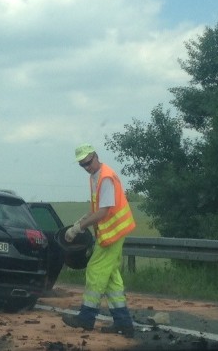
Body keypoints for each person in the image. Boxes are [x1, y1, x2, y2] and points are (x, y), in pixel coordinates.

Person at [62, 144, 137, 338]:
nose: (86, 167)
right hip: (110, 233)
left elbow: (104, 211)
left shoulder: (105, 178)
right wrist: (82, 221)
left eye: (88, 162)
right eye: (82, 165)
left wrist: (79, 227)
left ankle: (86, 317)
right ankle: (124, 323)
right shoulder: (95, 177)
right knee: (112, 278)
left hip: (113, 233)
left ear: (96, 156)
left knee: (95, 270)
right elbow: (97, 208)